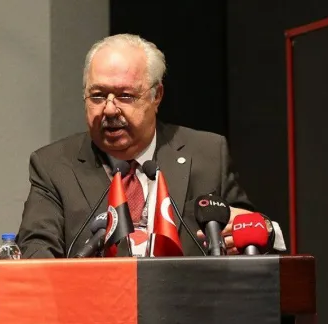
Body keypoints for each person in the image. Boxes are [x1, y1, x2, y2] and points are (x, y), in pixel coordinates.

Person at [16, 34, 275, 258]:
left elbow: (251, 229)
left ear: (156, 95)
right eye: (97, 96)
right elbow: (35, 250)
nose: (109, 109)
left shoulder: (206, 153)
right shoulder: (53, 166)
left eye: (125, 96)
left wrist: (266, 231)